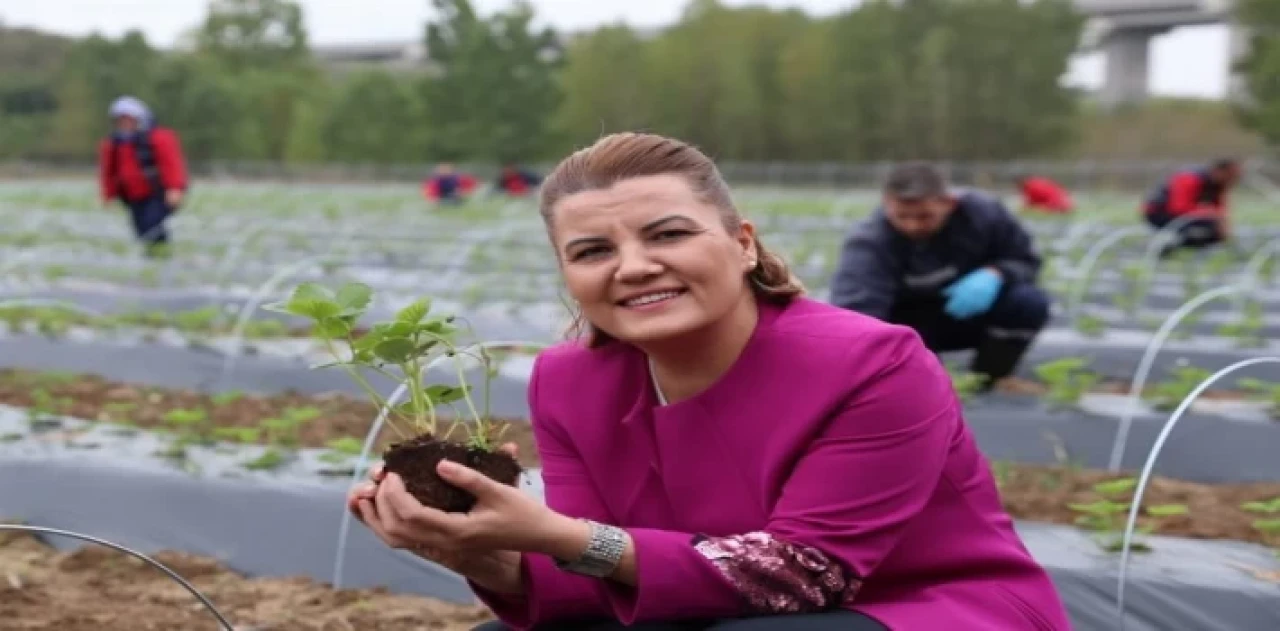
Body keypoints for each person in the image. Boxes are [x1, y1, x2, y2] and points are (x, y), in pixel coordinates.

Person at [346, 134, 1072, 631]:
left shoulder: (873, 362)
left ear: (742, 242)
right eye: (594, 249)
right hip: (715, 609)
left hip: (922, 609)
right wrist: (484, 552)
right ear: (568, 273)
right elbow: (600, 571)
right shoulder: (570, 380)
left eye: (667, 234)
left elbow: (804, 574)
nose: (632, 266)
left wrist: (560, 535)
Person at [829, 162, 1050, 391]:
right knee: (918, 383)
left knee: (1028, 302)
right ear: (887, 204)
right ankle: (921, 382)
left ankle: (988, 379)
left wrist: (996, 273)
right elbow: (858, 312)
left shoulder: (984, 214)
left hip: (971, 314)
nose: (912, 225)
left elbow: (1026, 260)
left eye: (925, 216)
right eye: (902, 216)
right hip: (910, 327)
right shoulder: (869, 241)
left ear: (949, 203)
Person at [98, 96, 188, 257]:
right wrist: (108, 195)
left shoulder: (159, 138)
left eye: (128, 120)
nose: (125, 124)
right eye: (121, 120)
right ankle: (154, 255)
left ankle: (161, 255)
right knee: (140, 228)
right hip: (132, 196)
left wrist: (175, 188)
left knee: (152, 224)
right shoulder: (114, 144)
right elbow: (109, 172)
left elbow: (172, 165)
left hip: (157, 193)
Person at [1141, 158, 1240, 255]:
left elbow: (1219, 208)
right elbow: (1179, 207)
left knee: (1216, 230)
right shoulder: (1190, 178)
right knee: (1210, 228)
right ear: (1220, 171)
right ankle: (1165, 247)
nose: (1234, 179)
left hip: (1183, 215)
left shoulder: (1218, 184)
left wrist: (1222, 220)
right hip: (1159, 213)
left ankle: (1176, 248)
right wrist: (1212, 215)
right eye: (1232, 175)